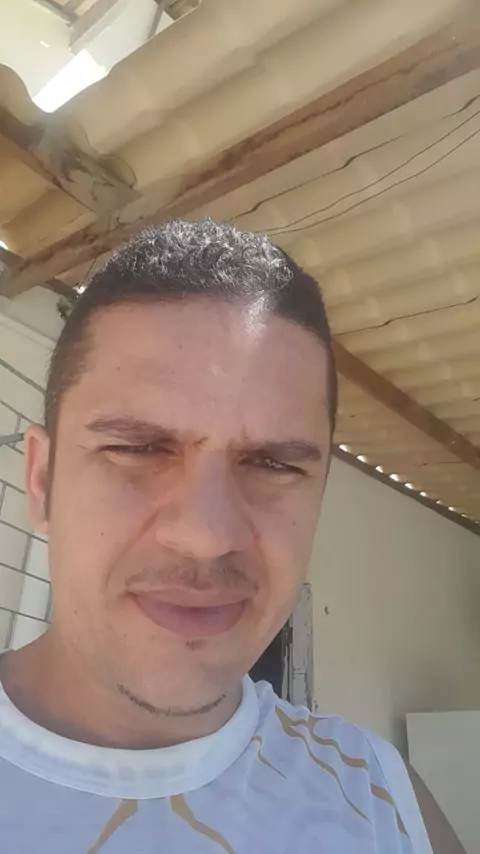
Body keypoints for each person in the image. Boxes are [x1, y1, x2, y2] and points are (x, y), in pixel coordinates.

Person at [0, 220, 462, 853]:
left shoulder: (386, 803)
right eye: (137, 448)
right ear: (41, 480)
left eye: (273, 464)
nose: (206, 537)